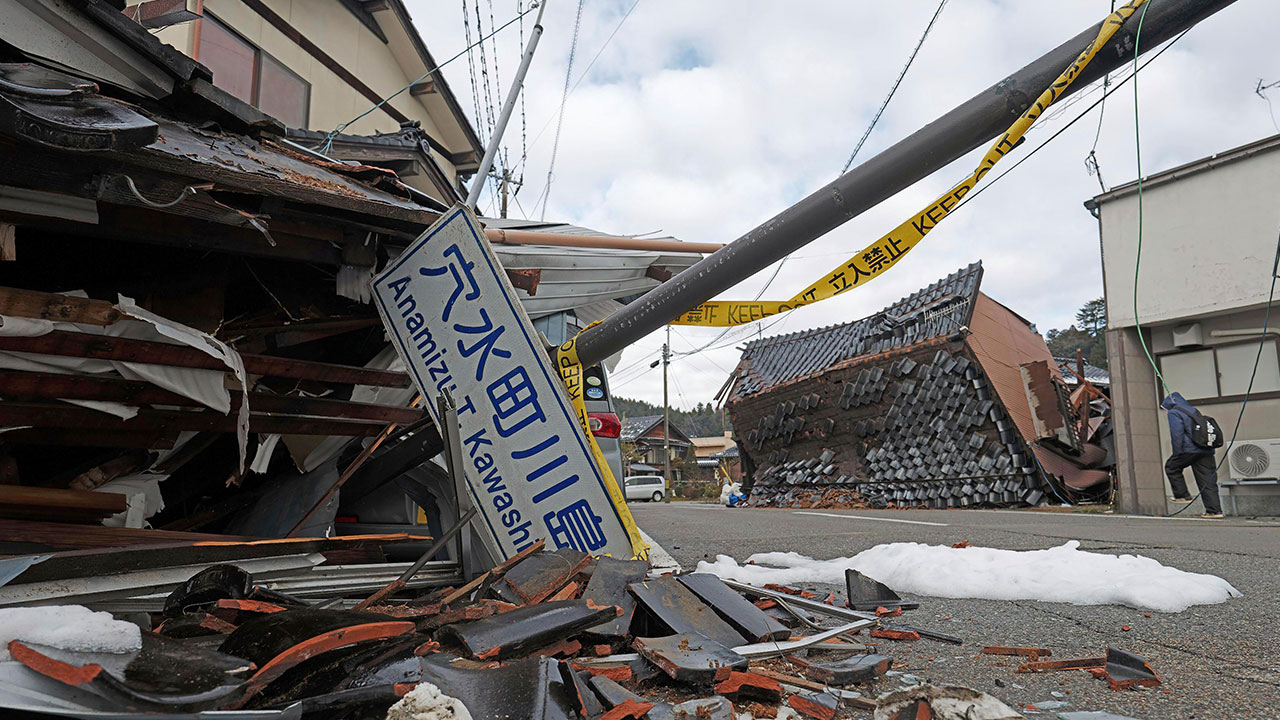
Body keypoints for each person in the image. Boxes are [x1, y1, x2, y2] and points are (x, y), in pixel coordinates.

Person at [1160, 392, 1223, 518]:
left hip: (1189, 449)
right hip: (1205, 449)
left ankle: (1182, 495)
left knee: (1171, 467)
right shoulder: (1193, 410)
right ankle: (1214, 511)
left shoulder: (1174, 412)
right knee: (1207, 480)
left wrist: (1177, 453)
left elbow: (1177, 434)